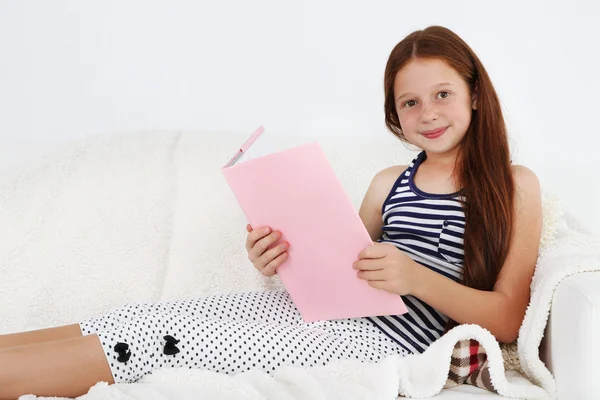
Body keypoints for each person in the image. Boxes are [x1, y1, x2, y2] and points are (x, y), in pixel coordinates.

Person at [0, 25, 542, 399]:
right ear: (394, 117)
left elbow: (507, 317)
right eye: (410, 103)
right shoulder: (387, 184)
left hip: (384, 341)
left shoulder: (515, 186)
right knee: (135, 318)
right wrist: (277, 259)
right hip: (322, 316)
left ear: (474, 94)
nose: (428, 113)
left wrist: (414, 277)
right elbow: (336, 275)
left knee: (152, 343)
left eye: (443, 93)